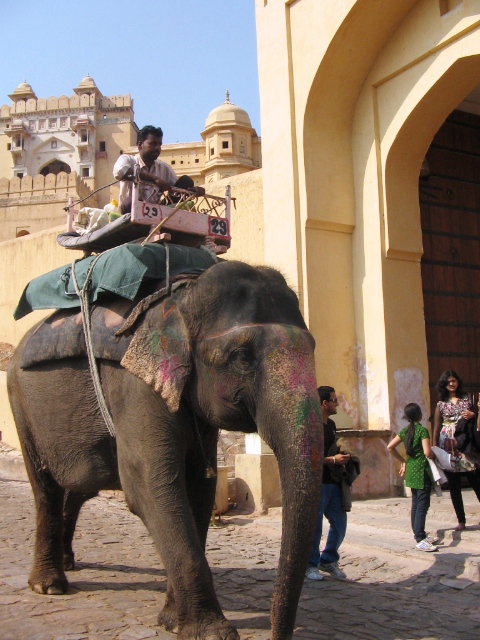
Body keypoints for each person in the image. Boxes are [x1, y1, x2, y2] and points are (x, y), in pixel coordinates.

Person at [305, 386, 351, 581]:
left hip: (334, 482)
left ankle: (329, 559)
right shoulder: (311, 425)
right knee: (315, 527)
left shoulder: (331, 425)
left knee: (340, 523)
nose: (337, 404)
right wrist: (333, 460)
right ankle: (310, 565)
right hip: (318, 483)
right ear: (324, 403)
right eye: (334, 400)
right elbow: (307, 457)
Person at [113, 125, 204, 214]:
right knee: (130, 201)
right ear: (140, 145)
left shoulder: (164, 168)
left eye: (159, 144)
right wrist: (154, 179)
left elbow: (177, 190)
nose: (157, 148)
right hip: (131, 210)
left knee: (186, 181)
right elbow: (121, 171)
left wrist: (193, 191)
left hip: (156, 211)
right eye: (153, 144)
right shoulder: (128, 160)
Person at [433, 370, 480, 531]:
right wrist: (434, 448)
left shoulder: (467, 399)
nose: (451, 384)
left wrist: (472, 414)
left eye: (454, 381)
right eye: (448, 382)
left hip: (464, 443)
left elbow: (477, 415)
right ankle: (461, 520)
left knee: (475, 479)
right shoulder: (441, 404)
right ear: (444, 385)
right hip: (447, 445)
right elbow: (436, 426)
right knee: (454, 485)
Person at [387, 403, 438, 552]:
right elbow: (427, 452)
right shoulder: (422, 431)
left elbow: (390, 447)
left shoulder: (405, 431)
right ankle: (420, 538)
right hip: (422, 471)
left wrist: (403, 460)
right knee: (422, 505)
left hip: (411, 470)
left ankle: (419, 534)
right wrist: (438, 454)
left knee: (416, 503)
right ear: (420, 415)